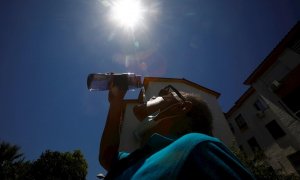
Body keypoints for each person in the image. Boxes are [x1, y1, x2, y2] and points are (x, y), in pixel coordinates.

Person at [99, 82, 255, 179]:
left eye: (165, 93)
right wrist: (116, 102)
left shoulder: (197, 146)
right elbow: (108, 158)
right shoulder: (141, 157)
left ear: (182, 107)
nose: (155, 95)